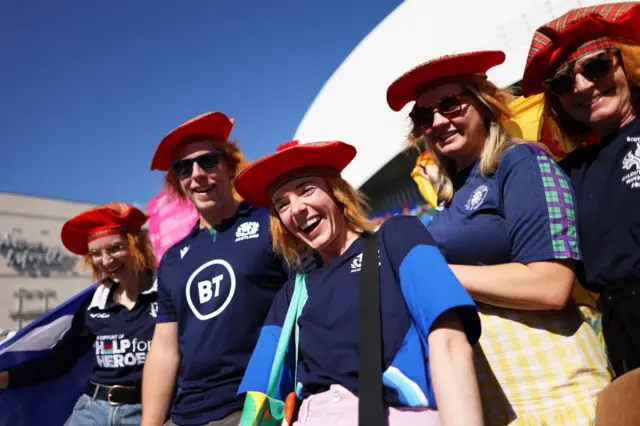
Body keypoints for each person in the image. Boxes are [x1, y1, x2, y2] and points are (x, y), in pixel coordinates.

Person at [386, 50, 611, 424]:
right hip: (499, 392)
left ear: (483, 104)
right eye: (424, 115)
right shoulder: (454, 192)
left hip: (551, 386)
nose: (438, 120)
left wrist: (433, 276)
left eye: (450, 104)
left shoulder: (521, 162)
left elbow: (551, 283)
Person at [235, 140, 484, 426]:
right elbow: (261, 395)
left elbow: (449, 341)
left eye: (306, 190)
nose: (297, 208)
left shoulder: (396, 237)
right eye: (282, 204)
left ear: (337, 193)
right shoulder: (294, 290)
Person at [142, 112, 302, 426]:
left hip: (252, 408)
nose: (197, 175)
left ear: (229, 166)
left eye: (209, 162)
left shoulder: (271, 223)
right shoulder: (173, 258)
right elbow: (164, 349)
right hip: (184, 413)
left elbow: (307, 306)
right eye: (184, 168)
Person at [521, 1, 640, 378]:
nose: (583, 86)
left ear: (629, 63)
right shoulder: (565, 174)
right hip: (622, 336)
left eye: (597, 66)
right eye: (562, 82)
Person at [0, 202, 157, 425]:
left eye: (115, 248)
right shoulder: (94, 304)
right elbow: (60, 360)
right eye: (96, 253)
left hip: (146, 412)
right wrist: (5, 378)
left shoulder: (167, 293)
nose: (106, 260)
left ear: (136, 246)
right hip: (91, 411)